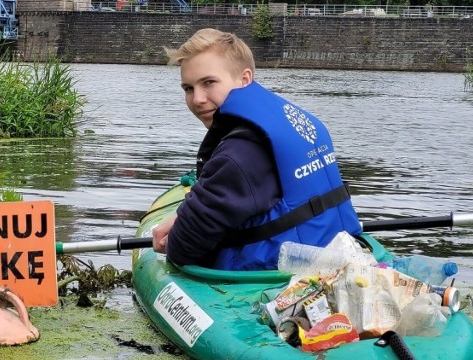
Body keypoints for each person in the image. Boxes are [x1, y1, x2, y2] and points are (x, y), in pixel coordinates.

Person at [152, 28, 362, 271]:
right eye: (188, 88)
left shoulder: (238, 154)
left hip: (274, 272)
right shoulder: (300, 121)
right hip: (334, 249)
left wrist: (175, 239)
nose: (198, 98)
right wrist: (184, 214)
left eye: (209, 82)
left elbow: (185, 248)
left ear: (245, 79)